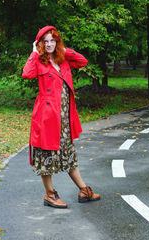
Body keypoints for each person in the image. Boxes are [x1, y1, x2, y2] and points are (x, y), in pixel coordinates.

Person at [22, 25, 100, 208]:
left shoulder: (63, 60)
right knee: (46, 155)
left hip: (64, 118)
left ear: (57, 41)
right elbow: (26, 74)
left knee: (68, 153)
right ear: (40, 44)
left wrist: (63, 49)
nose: (49, 44)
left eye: (52, 40)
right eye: (45, 41)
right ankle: (50, 194)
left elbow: (83, 61)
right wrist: (34, 53)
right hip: (47, 118)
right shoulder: (39, 61)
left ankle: (83, 190)